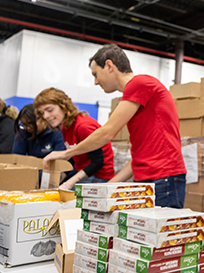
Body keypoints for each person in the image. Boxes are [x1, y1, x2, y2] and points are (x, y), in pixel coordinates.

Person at [42, 44, 187, 208]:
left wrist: (66, 154)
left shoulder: (140, 83)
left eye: (96, 74)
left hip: (163, 178)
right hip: (151, 179)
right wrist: (107, 187)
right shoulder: (136, 92)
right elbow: (139, 159)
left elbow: (107, 133)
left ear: (109, 66)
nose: (96, 82)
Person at [34, 88, 115, 189]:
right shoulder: (66, 126)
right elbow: (74, 156)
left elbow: (98, 162)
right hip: (84, 172)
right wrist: (61, 178)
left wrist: (67, 184)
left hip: (99, 178)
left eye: (49, 110)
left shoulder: (83, 126)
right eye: (42, 113)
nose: (45, 116)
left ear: (63, 106)